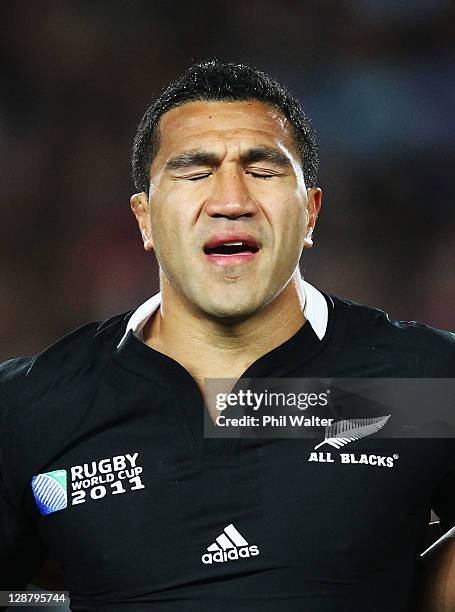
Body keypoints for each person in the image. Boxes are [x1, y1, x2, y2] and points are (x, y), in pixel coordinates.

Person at [1, 60, 454, 612]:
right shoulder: (32, 406)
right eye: (194, 172)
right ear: (144, 219)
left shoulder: (426, 383)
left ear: (310, 213)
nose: (230, 199)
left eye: (263, 170)